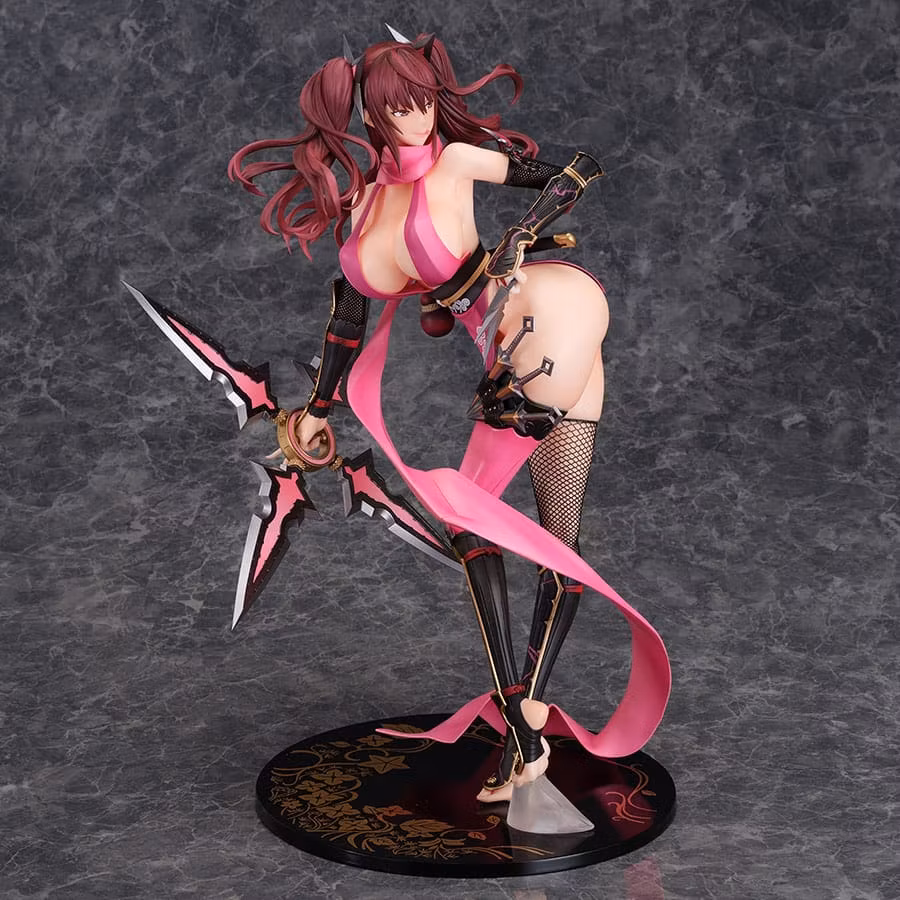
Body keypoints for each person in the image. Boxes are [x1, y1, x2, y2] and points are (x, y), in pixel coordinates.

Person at [229, 31, 670, 809]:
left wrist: (523, 230)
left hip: (540, 321)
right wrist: (319, 409)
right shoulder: (365, 204)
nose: (418, 118)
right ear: (371, 116)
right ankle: (528, 717)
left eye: (425, 101)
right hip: (526, 351)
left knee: (468, 521)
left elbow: (576, 169)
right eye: (399, 108)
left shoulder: (459, 161)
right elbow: (347, 319)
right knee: (555, 541)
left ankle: (521, 725)